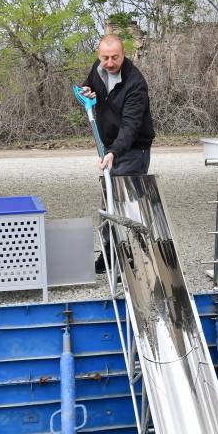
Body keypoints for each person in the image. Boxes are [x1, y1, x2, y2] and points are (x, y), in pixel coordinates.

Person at [80, 34, 154, 274]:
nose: (110, 63)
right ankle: (110, 253)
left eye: (115, 58)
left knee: (125, 203)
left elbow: (131, 126)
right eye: (105, 58)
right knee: (108, 199)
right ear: (99, 55)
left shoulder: (135, 83)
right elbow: (89, 85)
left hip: (132, 148)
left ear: (123, 54)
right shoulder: (97, 68)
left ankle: (132, 259)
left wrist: (113, 151)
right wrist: (87, 91)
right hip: (109, 145)